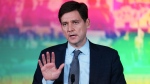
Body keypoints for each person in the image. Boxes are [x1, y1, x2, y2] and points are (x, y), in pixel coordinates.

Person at [33, 1, 126, 84]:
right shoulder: (47, 56)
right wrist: (48, 81)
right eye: (65, 24)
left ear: (87, 23)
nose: (70, 29)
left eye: (75, 22)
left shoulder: (109, 57)